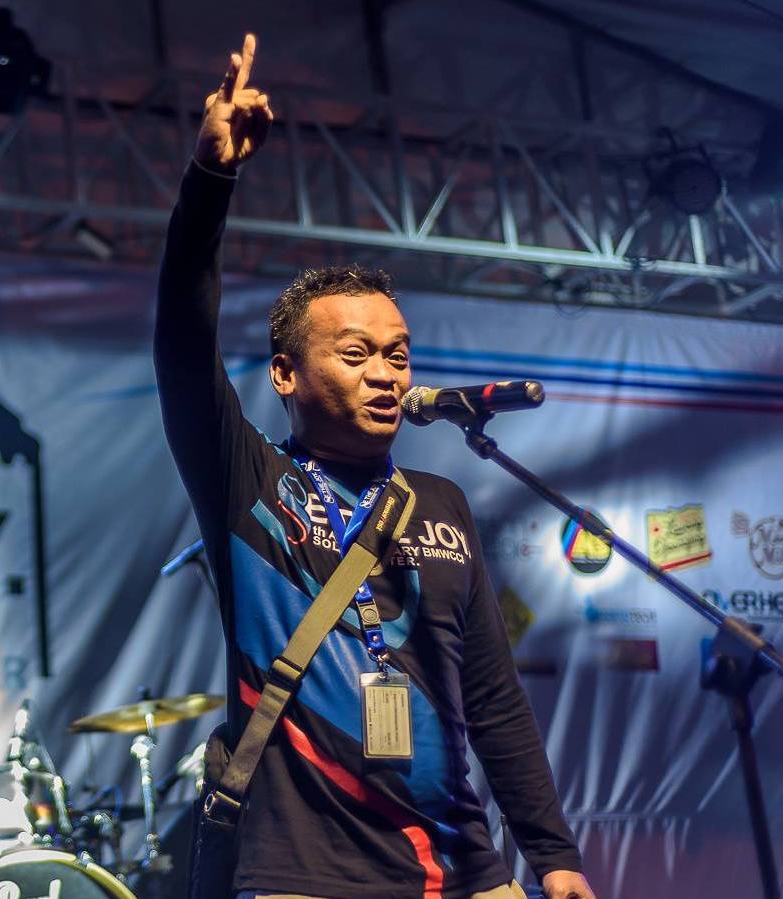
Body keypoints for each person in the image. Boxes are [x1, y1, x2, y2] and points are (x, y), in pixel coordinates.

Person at [154, 33, 596, 899]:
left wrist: (552, 854)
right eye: (355, 354)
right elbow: (180, 337)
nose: (387, 373)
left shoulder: (441, 502)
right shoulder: (248, 482)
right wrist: (210, 182)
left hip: (462, 868)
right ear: (286, 374)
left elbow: (494, 698)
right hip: (303, 872)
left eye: (397, 353)